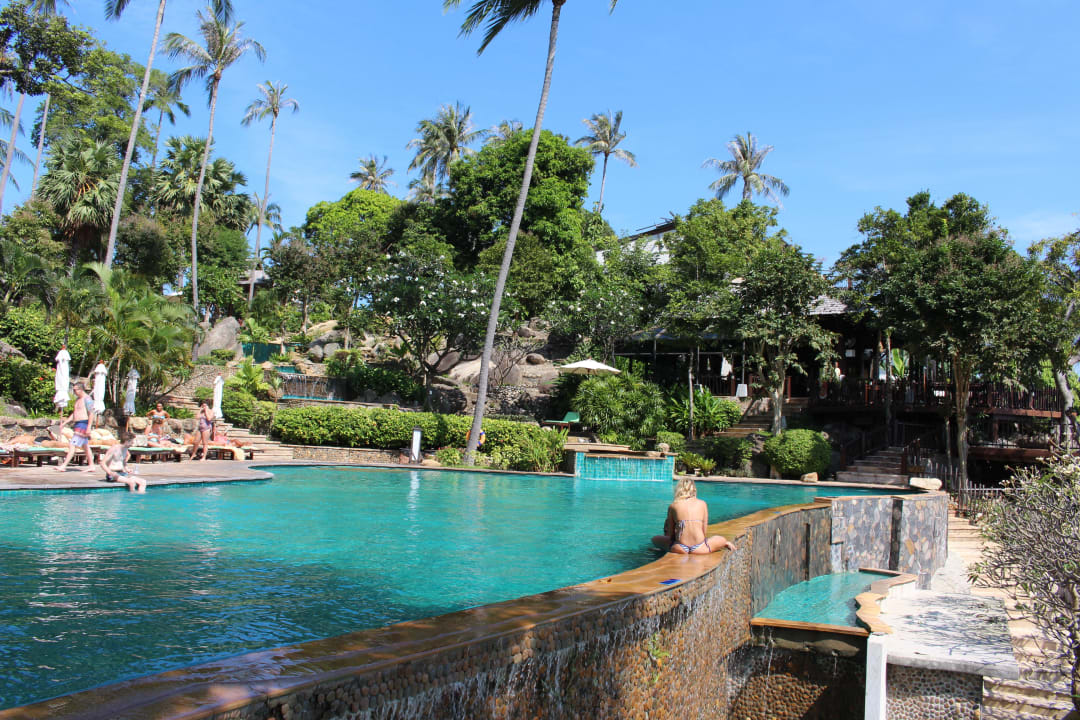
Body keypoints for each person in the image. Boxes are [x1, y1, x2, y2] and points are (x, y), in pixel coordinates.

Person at [652, 477, 736, 555]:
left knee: (654, 539)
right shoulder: (702, 504)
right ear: (694, 490)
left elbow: (670, 535)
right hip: (700, 548)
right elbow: (704, 531)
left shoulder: (673, 506)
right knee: (721, 539)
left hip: (680, 547)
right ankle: (726, 543)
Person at [55, 382, 98, 473]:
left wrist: (89, 427)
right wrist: (65, 423)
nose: (74, 392)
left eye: (75, 390)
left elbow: (91, 414)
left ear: (81, 389)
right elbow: (74, 414)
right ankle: (91, 466)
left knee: (72, 444)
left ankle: (64, 465)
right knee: (85, 446)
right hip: (78, 424)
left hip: (83, 424)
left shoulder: (88, 399)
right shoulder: (78, 400)